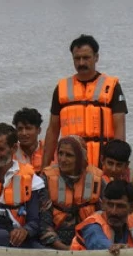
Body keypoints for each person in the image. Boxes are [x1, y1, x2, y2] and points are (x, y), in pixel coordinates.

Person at [41, 34, 128, 169]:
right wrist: (44, 168)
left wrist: (116, 165)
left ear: (96, 57)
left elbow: (119, 128)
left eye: (86, 58)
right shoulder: (61, 87)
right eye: (77, 58)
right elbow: (52, 130)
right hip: (70, 165)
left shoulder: (111, 86)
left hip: (102, 164)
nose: (81, 63)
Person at [40, 135, 104, 250]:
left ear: (80, 157)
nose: (62, 159)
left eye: (69, 155)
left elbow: (105, 215)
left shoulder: (97, 179)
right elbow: (44, 223)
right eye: (60, 153)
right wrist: (66, 249)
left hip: (89, 236)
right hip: (57, 241)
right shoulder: (46, 179)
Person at [71, 180, 133, 254]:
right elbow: (98, 243)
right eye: (110, 205)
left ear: (131, 208)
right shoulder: (93, 225)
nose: (114, 212)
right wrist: (113, 248)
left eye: (120, 206)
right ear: (104, 204)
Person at [12, 108, 45, 173]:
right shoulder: (10, 153)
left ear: (39, 130)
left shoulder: (51, 151)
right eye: (20, 129)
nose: (24, 133)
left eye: (28, 128)